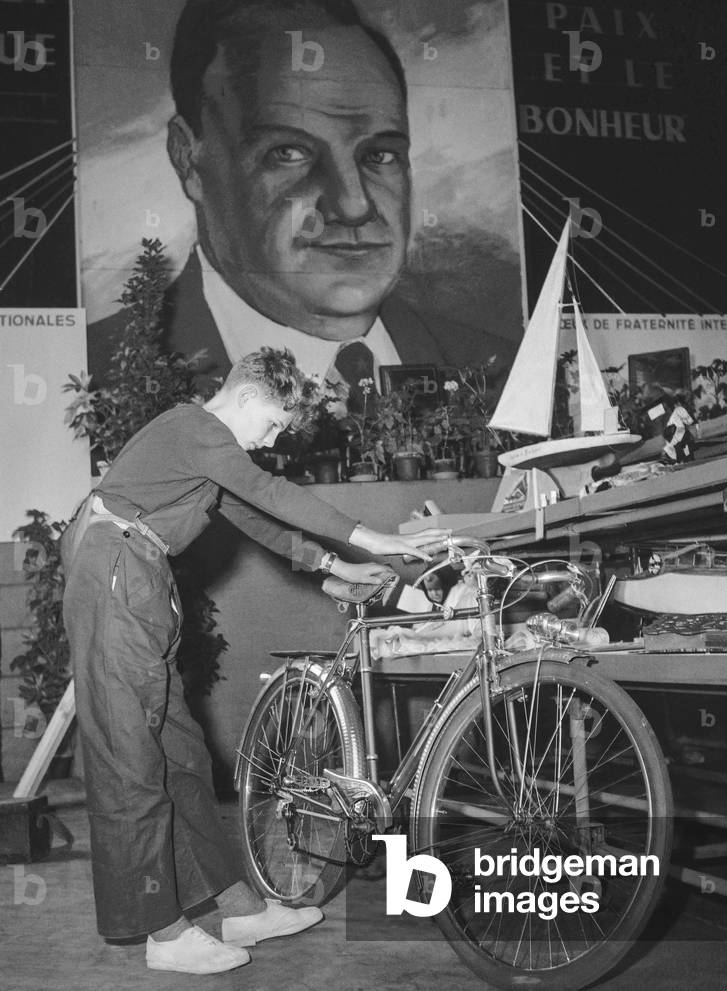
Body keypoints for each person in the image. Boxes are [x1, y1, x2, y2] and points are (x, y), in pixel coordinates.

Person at [62, 347, 445, 974]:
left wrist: (332, 567)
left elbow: (252, 515)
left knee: (182, 757)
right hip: (115, 575)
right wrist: (375, 538)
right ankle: (163, 932)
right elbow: (269, 491)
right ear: (243, 397)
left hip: (139, 577)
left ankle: (236, 906)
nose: (269, 442)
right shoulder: (193, 427)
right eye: (270, 424)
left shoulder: (205, 453)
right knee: (132, 760)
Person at [85, 0, 520, 391]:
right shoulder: (100, 379)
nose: (354, 205)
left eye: (379, 155)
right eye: (289, 153)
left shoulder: (501, 373)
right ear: (188, 157)